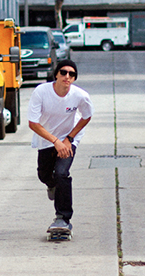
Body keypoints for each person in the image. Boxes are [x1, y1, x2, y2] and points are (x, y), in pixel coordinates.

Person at [28, 59, 93, 234]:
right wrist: (55, 141)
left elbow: (87, 116)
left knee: (62, 173)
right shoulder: (41, 92)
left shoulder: (80, 96)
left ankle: (63, 218)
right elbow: (33, 123)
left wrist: (69, 138)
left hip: (67, 140)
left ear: (74, 78)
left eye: (71, 74)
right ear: (56, 74)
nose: (67, 76)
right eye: (63, 72)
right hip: (46, 139)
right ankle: (52, 184)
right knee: (44, 175)